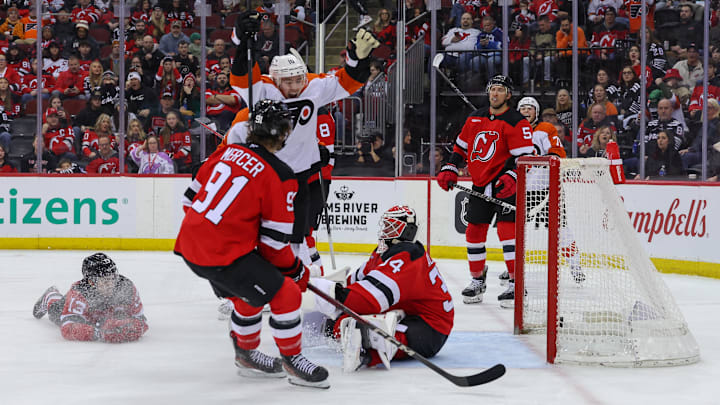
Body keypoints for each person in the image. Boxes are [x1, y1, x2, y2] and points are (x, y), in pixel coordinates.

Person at [174, 99, 329, 389]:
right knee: (287, 296)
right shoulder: (281, 175)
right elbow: (274, 247)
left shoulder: (227, 153)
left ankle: (245, 356)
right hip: (222, 254)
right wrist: (296, 272)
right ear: (283, 133)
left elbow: (188, 201)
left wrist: (228, 233)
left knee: (248, 296)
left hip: (190, 245)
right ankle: (293, 361)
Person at [223, 12, 379, 266]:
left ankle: (293, 276)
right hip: (264, 176)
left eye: (298, 79)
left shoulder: (313, 86)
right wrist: (241, 41)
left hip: (298, 175)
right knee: (260, 231)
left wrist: (358, 59)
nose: (295, 86)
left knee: (297, 231)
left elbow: (347, 83)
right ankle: (249, 284)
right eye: (288, 81)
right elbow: (240, 76)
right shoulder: (262, 90)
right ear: (274, 78)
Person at [313, 205, 454, 371]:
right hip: (410, 312)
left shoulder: (408, 258)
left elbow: (368, 300)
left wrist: (329, 294)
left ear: (407, 231)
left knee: (362, 331)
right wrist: (335, 290)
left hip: (431, 328)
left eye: (391, 227)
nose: (385, 231)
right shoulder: (385, 251)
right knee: (341, 323)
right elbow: (358, 279)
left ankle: (371, 352)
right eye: (385, 225)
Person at [437, 75, 534, 306]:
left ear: (508, 94)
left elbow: (525, 157)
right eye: (492, 89)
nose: (495, 93)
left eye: (500, 90)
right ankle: (477, 280)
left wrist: (512, 176)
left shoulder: (516, 121)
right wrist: (450, 166)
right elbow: (460, 148)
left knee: (507, 232)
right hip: (481, 184)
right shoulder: (475, 118)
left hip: (506, 186)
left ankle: (515, 284)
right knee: (473, 232)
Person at [32, 253, 148, 343]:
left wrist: (130, 328)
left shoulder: (126, 287)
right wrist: (98, 333)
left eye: (113, 278)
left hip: (101, 317)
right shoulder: (79, 293)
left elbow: (141, 320)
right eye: (104, 280)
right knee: (54, 312)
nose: (111, 283)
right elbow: (67, 328)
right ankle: (50, 295)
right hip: (79, 316)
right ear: (91, 282)